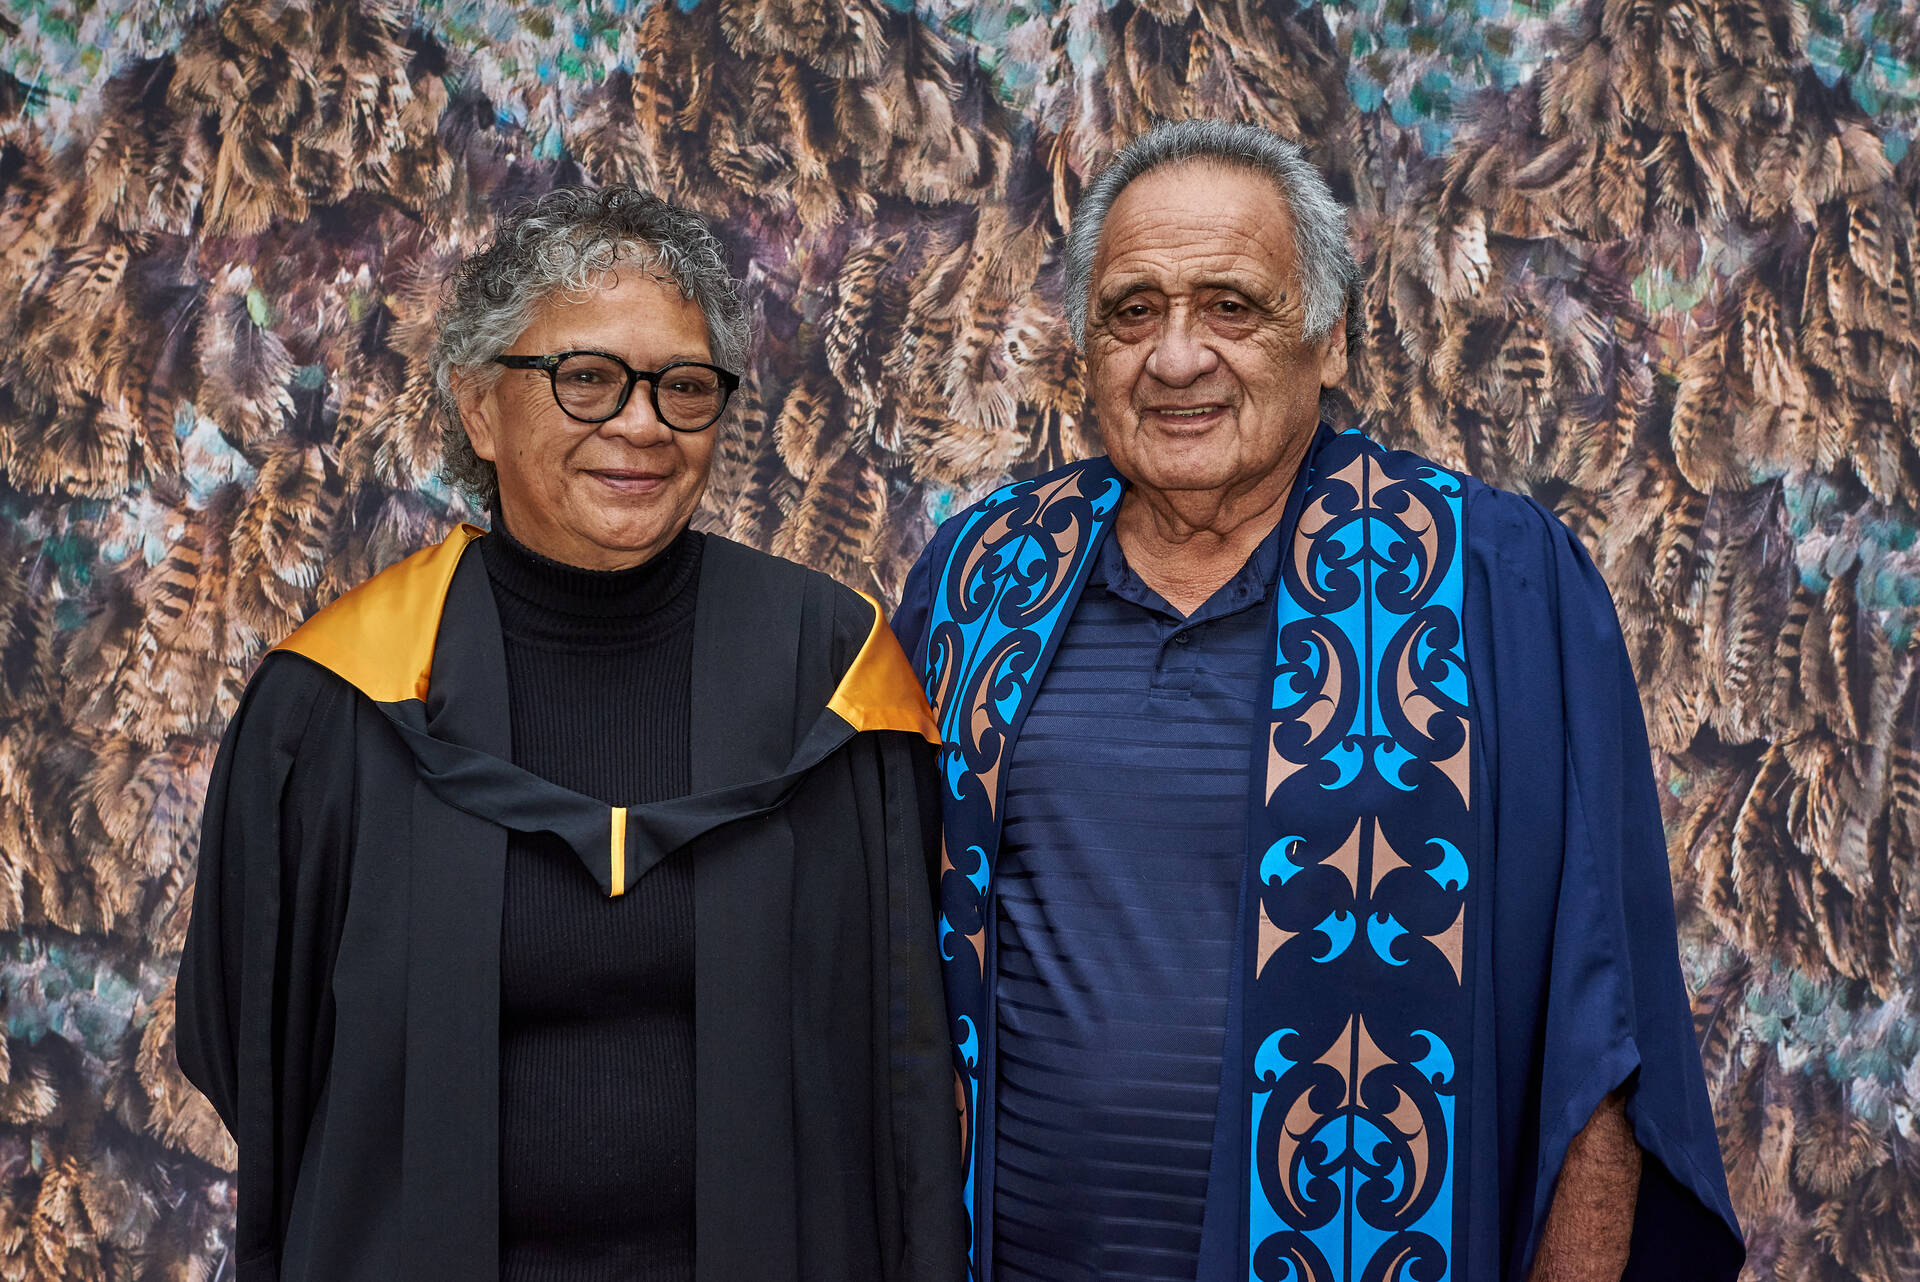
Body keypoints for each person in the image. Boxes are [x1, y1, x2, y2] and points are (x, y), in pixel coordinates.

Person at [892, 120, 1744, 1282]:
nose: (1176, 357)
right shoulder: (984, 581)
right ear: (1085, 346)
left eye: (1231, 307)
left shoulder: (1490, 581)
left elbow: (1600, 1025)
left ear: (1330, 338)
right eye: (1132, 311)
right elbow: (897, 967)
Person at [177, 185, 967, 1282]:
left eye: (683, 386)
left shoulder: (829, 675)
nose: (641, 424)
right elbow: (246, 1041)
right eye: (586, 378)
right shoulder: (338, 701)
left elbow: (905, 1047)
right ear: (479, 408)